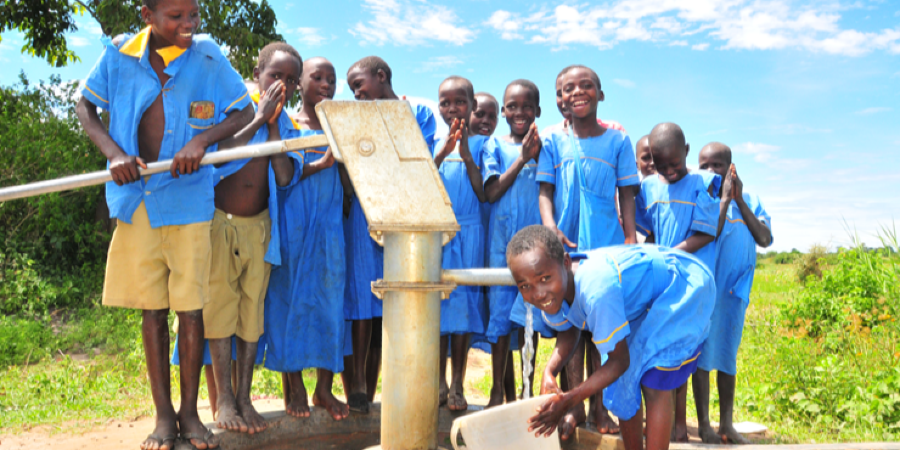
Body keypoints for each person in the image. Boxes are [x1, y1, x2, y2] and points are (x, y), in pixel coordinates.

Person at [75, 0, 253, 447]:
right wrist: (114, 153)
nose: (188, 25)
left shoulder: (209, 57)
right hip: (136, 201)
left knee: (190, 310)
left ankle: (190, 415)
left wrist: (202, 140)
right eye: (176, 16)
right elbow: (85, 105)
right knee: (151, 311)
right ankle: (162, 416)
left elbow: (244, 112)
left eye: (193, 15)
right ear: (146, 16)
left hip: (189, 203)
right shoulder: (118, 54)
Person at [506, 225, 715, 450]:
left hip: (679, 285)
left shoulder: (596, 290)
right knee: (622, 385)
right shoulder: (552, 294)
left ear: (566, 263)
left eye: (545, 278)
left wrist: (570, 399)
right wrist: (550, 371)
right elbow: (569, 328)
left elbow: (620, 361)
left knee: (652, 379)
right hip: (639, 302)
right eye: (525, 286)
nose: (537, 293)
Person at [343, 56, 437, 413]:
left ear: (381, 76)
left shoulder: (419, 114)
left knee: (392, 302)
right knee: (361, 297)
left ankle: (383, 383)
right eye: (352, 89)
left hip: (402, 217)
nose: (356, 94)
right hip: (365, 214)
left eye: (359, 85)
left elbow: (418, 159)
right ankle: (358, 386)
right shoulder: (357, 118)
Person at [264, 56, 352, 422]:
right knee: (289, 299)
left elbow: (350, 184)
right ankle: (294, 384)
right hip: (293, 220)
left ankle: (323, 388)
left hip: (330, 225)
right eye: (318, 78)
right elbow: (282, 177)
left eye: (332, 79)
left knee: (331, 301)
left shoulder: (340, 126)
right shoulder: (285, 123)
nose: (327, 85)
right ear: (299, 83)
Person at [635, 122, 721, 442]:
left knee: (681, 353)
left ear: (686, 152)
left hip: (690, 282)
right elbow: (647, 231)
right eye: (661, 165)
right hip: (661, 282)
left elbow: (705, 233)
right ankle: (663, 422)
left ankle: (680, 424)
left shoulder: (704, 184)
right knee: (659, 353)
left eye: (675, 164)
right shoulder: (649, 186)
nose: (669, 171)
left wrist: (669, 255)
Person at [694, 143, 773, 444]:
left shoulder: (750, 200)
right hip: (707, 290)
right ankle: (704, 425)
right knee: (701, 356)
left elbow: (764, 238)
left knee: (727, 355)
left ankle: (726, 423)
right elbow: (707, 236)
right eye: (705, 166)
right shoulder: (701, 198)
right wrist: (724, 200)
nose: (712, 172)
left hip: (734, 293)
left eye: (718, 165)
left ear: (732, 168)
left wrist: (739, 200)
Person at [480, 80, 543, 408]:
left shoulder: (547, 148)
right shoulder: (494, 147)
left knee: (529, 320)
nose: (520, 112)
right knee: (501, 318)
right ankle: (495, 392)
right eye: (513, 106)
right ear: (504, 111)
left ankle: (526, 390)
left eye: (527, 106)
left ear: (538, 111)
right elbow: (490, 193)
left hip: (536, 246)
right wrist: (522, 159)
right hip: (502, 245)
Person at [433, 75, 490, 411]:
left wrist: (466, 154)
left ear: (473, 106)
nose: (452, 108)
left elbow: (484, 193)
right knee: (440, 313)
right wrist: (442, 154)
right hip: (439, 236)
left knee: (463, 314)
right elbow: (423, 181)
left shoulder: (485, 146)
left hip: (469, 235)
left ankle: (457, 384)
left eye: (460, 102)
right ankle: (438, 382)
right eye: (445, 102)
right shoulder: (433, 143)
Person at [541, 69, 626, 136]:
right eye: (560, 94)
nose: (576, 94)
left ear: (600, 95)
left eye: (586, 86)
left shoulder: (614, 131)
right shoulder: (549, 135)